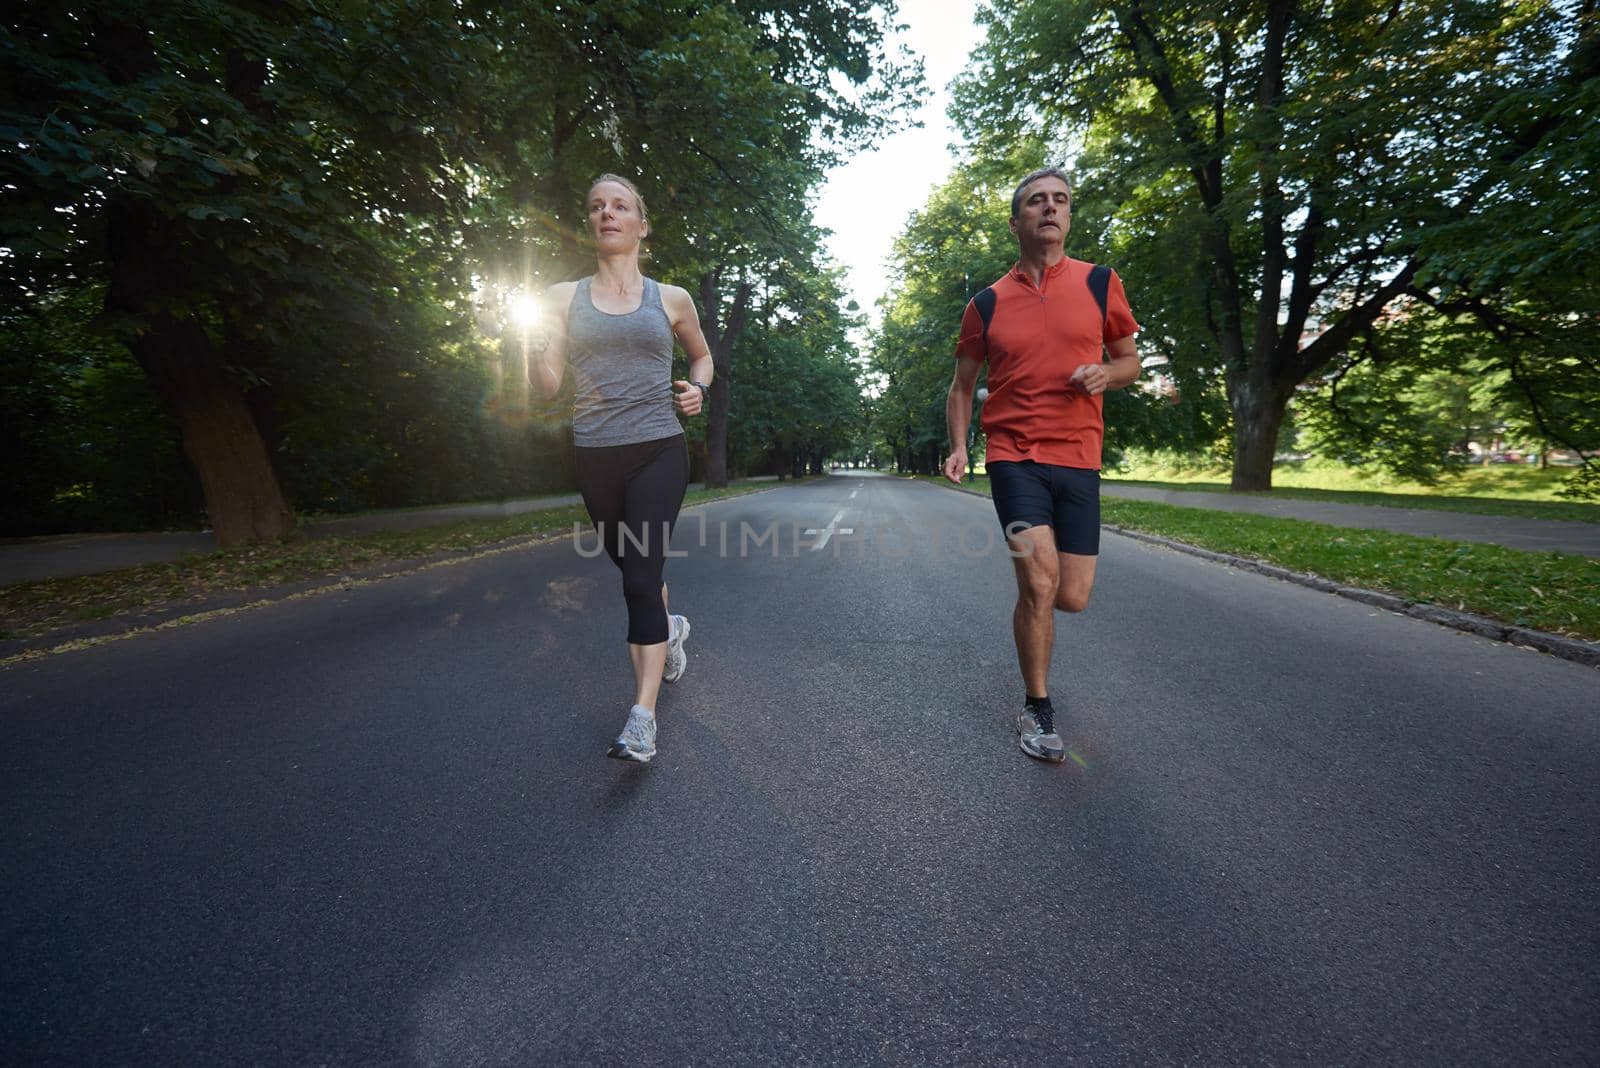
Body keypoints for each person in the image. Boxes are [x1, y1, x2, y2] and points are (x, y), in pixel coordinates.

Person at [942, 166, 1141, 763]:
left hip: (1080, 456)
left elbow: (1130, 361)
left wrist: (1107, 373)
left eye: (1059, 200)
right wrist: (960, 446)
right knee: (1039, 581)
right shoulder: (986, 304)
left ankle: (1036, 610)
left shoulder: (1101, 283)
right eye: (1036, 202)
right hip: (1014, 456)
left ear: (1069, 215)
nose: (1049, 209)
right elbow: (961, 386)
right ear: (1017, 221)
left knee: (1071, 596)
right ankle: (1038, 705)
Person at [535, 173, 715, 764]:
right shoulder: (563, 298)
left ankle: (642, 718)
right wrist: (532, 350)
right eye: (596, 207)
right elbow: (547, 386)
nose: (606, 213)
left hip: (659, 447)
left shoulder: (672, 298)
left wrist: (698, 390)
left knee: (638, 579)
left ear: (642, 224)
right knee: (636, 569)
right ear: (589, 223)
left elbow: (702, 355)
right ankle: (672, 626)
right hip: (595, 451)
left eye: (620, 206)